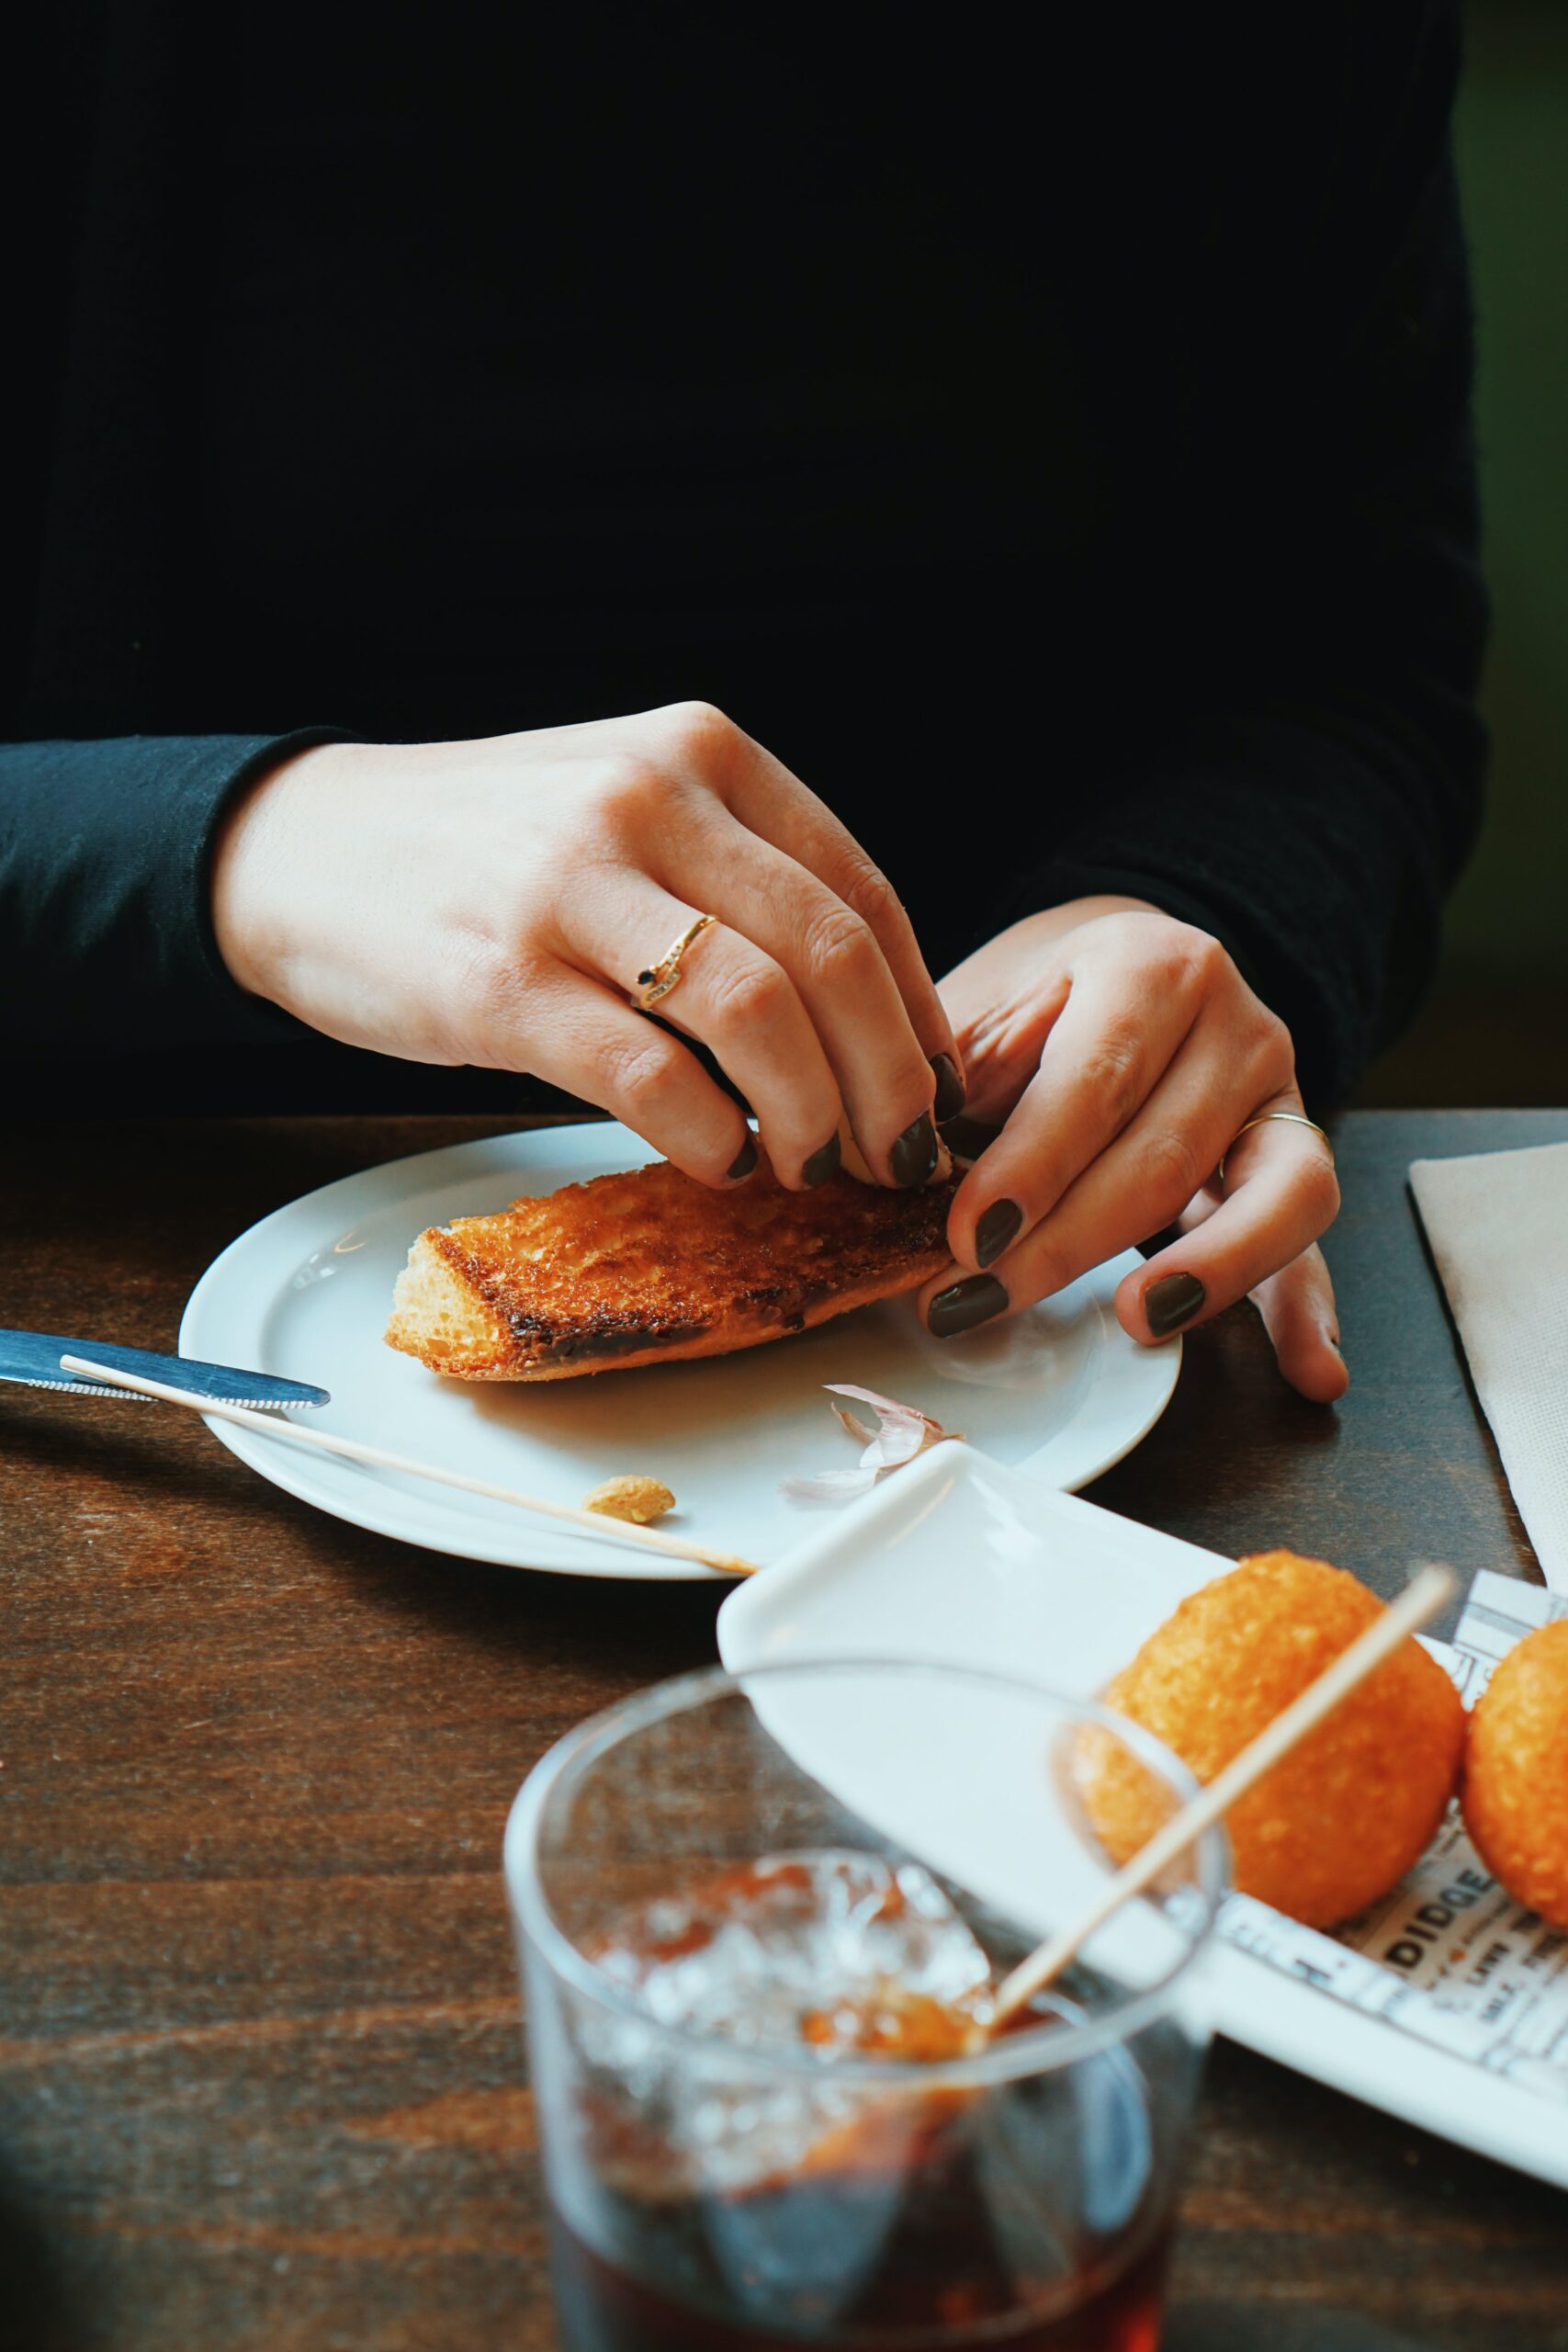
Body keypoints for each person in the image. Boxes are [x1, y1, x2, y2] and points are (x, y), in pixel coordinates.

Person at [3, 6, 1486, 1404]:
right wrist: (230, 852)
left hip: (1021, 1336)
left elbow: (1358, 664)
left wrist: (1166, 910)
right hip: (140, 1282)